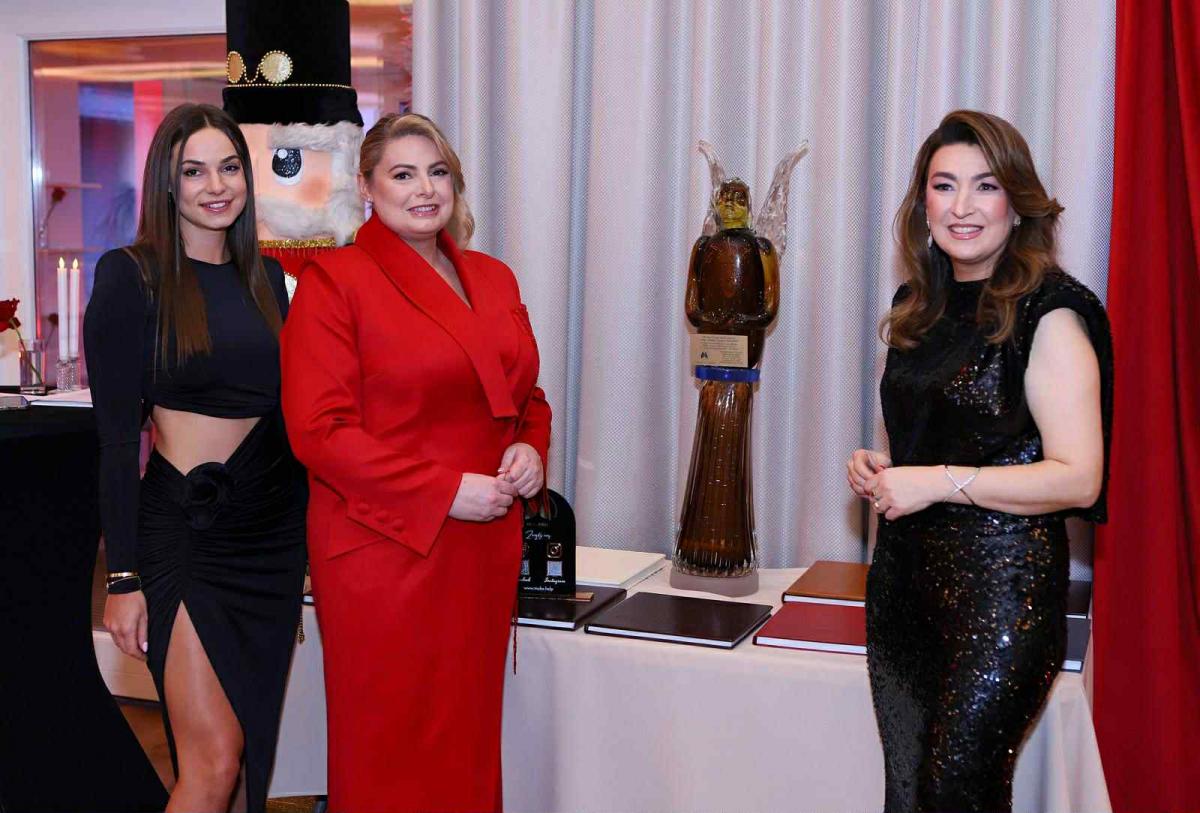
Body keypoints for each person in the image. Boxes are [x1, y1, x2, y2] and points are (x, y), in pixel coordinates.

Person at [281, 112, 551, 811]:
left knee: (465, 740)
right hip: (384, 550)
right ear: (366, 186)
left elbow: (524, 395)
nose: (424, 189)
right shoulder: (334, 281)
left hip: (479, 548)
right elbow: (318, 432)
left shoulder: (493, 277)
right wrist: (442, 490)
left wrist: (530, 447)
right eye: (402, 174)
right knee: (391, 745)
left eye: (437, 173)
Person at [846, 109, 1112, 813]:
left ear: (1016, 204)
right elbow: (954, 439)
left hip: (1002, 599)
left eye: (985, 186)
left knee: (955, 792)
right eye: (944, 186)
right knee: (911, 794)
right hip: (905, 590)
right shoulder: (918, 303)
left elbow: (1079, 475)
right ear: (923, 202)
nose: (961, 206)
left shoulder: (1051, 311)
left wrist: (936, 481)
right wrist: (888, 467)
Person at [84, 102, 307, 813]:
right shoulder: (131, 277)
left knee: (244, 764)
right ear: (167, 183)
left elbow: (294, 421)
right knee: (211, 763)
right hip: (186, 537)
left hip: (269, 543)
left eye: (230, 167)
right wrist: (123, 577)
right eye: (194, 171)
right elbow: (116, 442)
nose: (216, 185)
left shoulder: (267, 279)